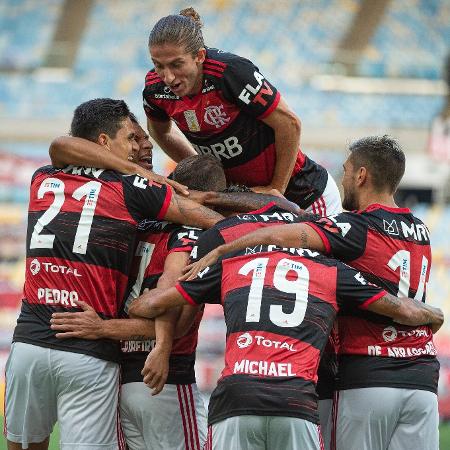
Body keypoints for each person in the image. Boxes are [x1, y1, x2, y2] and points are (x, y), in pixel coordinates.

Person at [182, 135, 441, 450]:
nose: (342, 180)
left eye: (345, 171)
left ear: (361, 176)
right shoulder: (421, 231)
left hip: (366, 372)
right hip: (423, 376)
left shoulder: (353, 228)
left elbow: (286, 232)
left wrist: (227, 247)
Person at [3, 98, 223, 450]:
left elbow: (60, 146)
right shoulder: (134, 191)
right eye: (131, 139)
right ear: (104, 142)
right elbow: (207, 219)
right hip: (90, 352)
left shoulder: (42, 176)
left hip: (29, 340)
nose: (138, 148)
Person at [127, 244, 443, 450]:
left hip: (236, 398)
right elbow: (401, 309)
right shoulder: (332, 270)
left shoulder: (235, 263)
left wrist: (134, 303)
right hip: (295, 402)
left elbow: (153, 304)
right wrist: (434, 314)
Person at [142, 7, 341, 215]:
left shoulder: (231, 73)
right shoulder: (155, 89)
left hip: (303, 194)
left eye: (177, 64)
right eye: (158, 65)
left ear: (200, 56)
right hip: (243, 203)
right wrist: (203, 167)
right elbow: (161, 132)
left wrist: (276, 189)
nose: (168, 77)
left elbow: (289, 124)